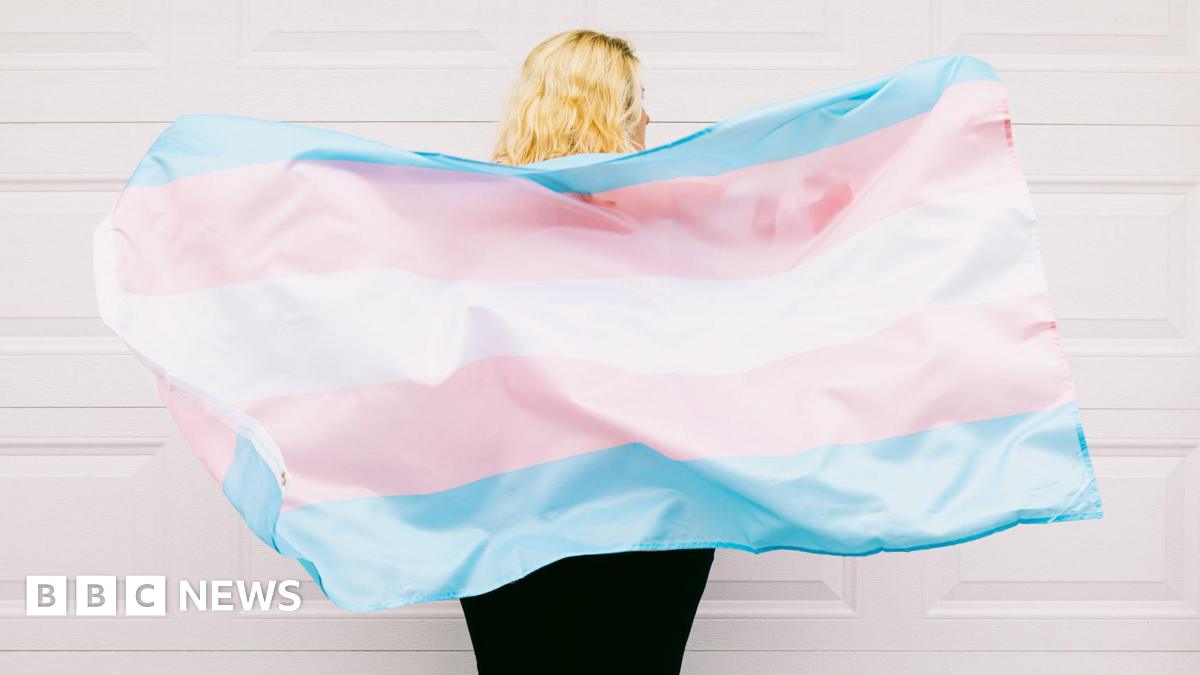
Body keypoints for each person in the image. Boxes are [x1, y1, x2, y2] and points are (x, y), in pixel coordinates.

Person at [456, 29, 717, 674]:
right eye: (638, 101)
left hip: (512, 510)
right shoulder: (666, 235)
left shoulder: (464, 231)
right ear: (606, 110)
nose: (651, 117)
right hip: (641, 509)